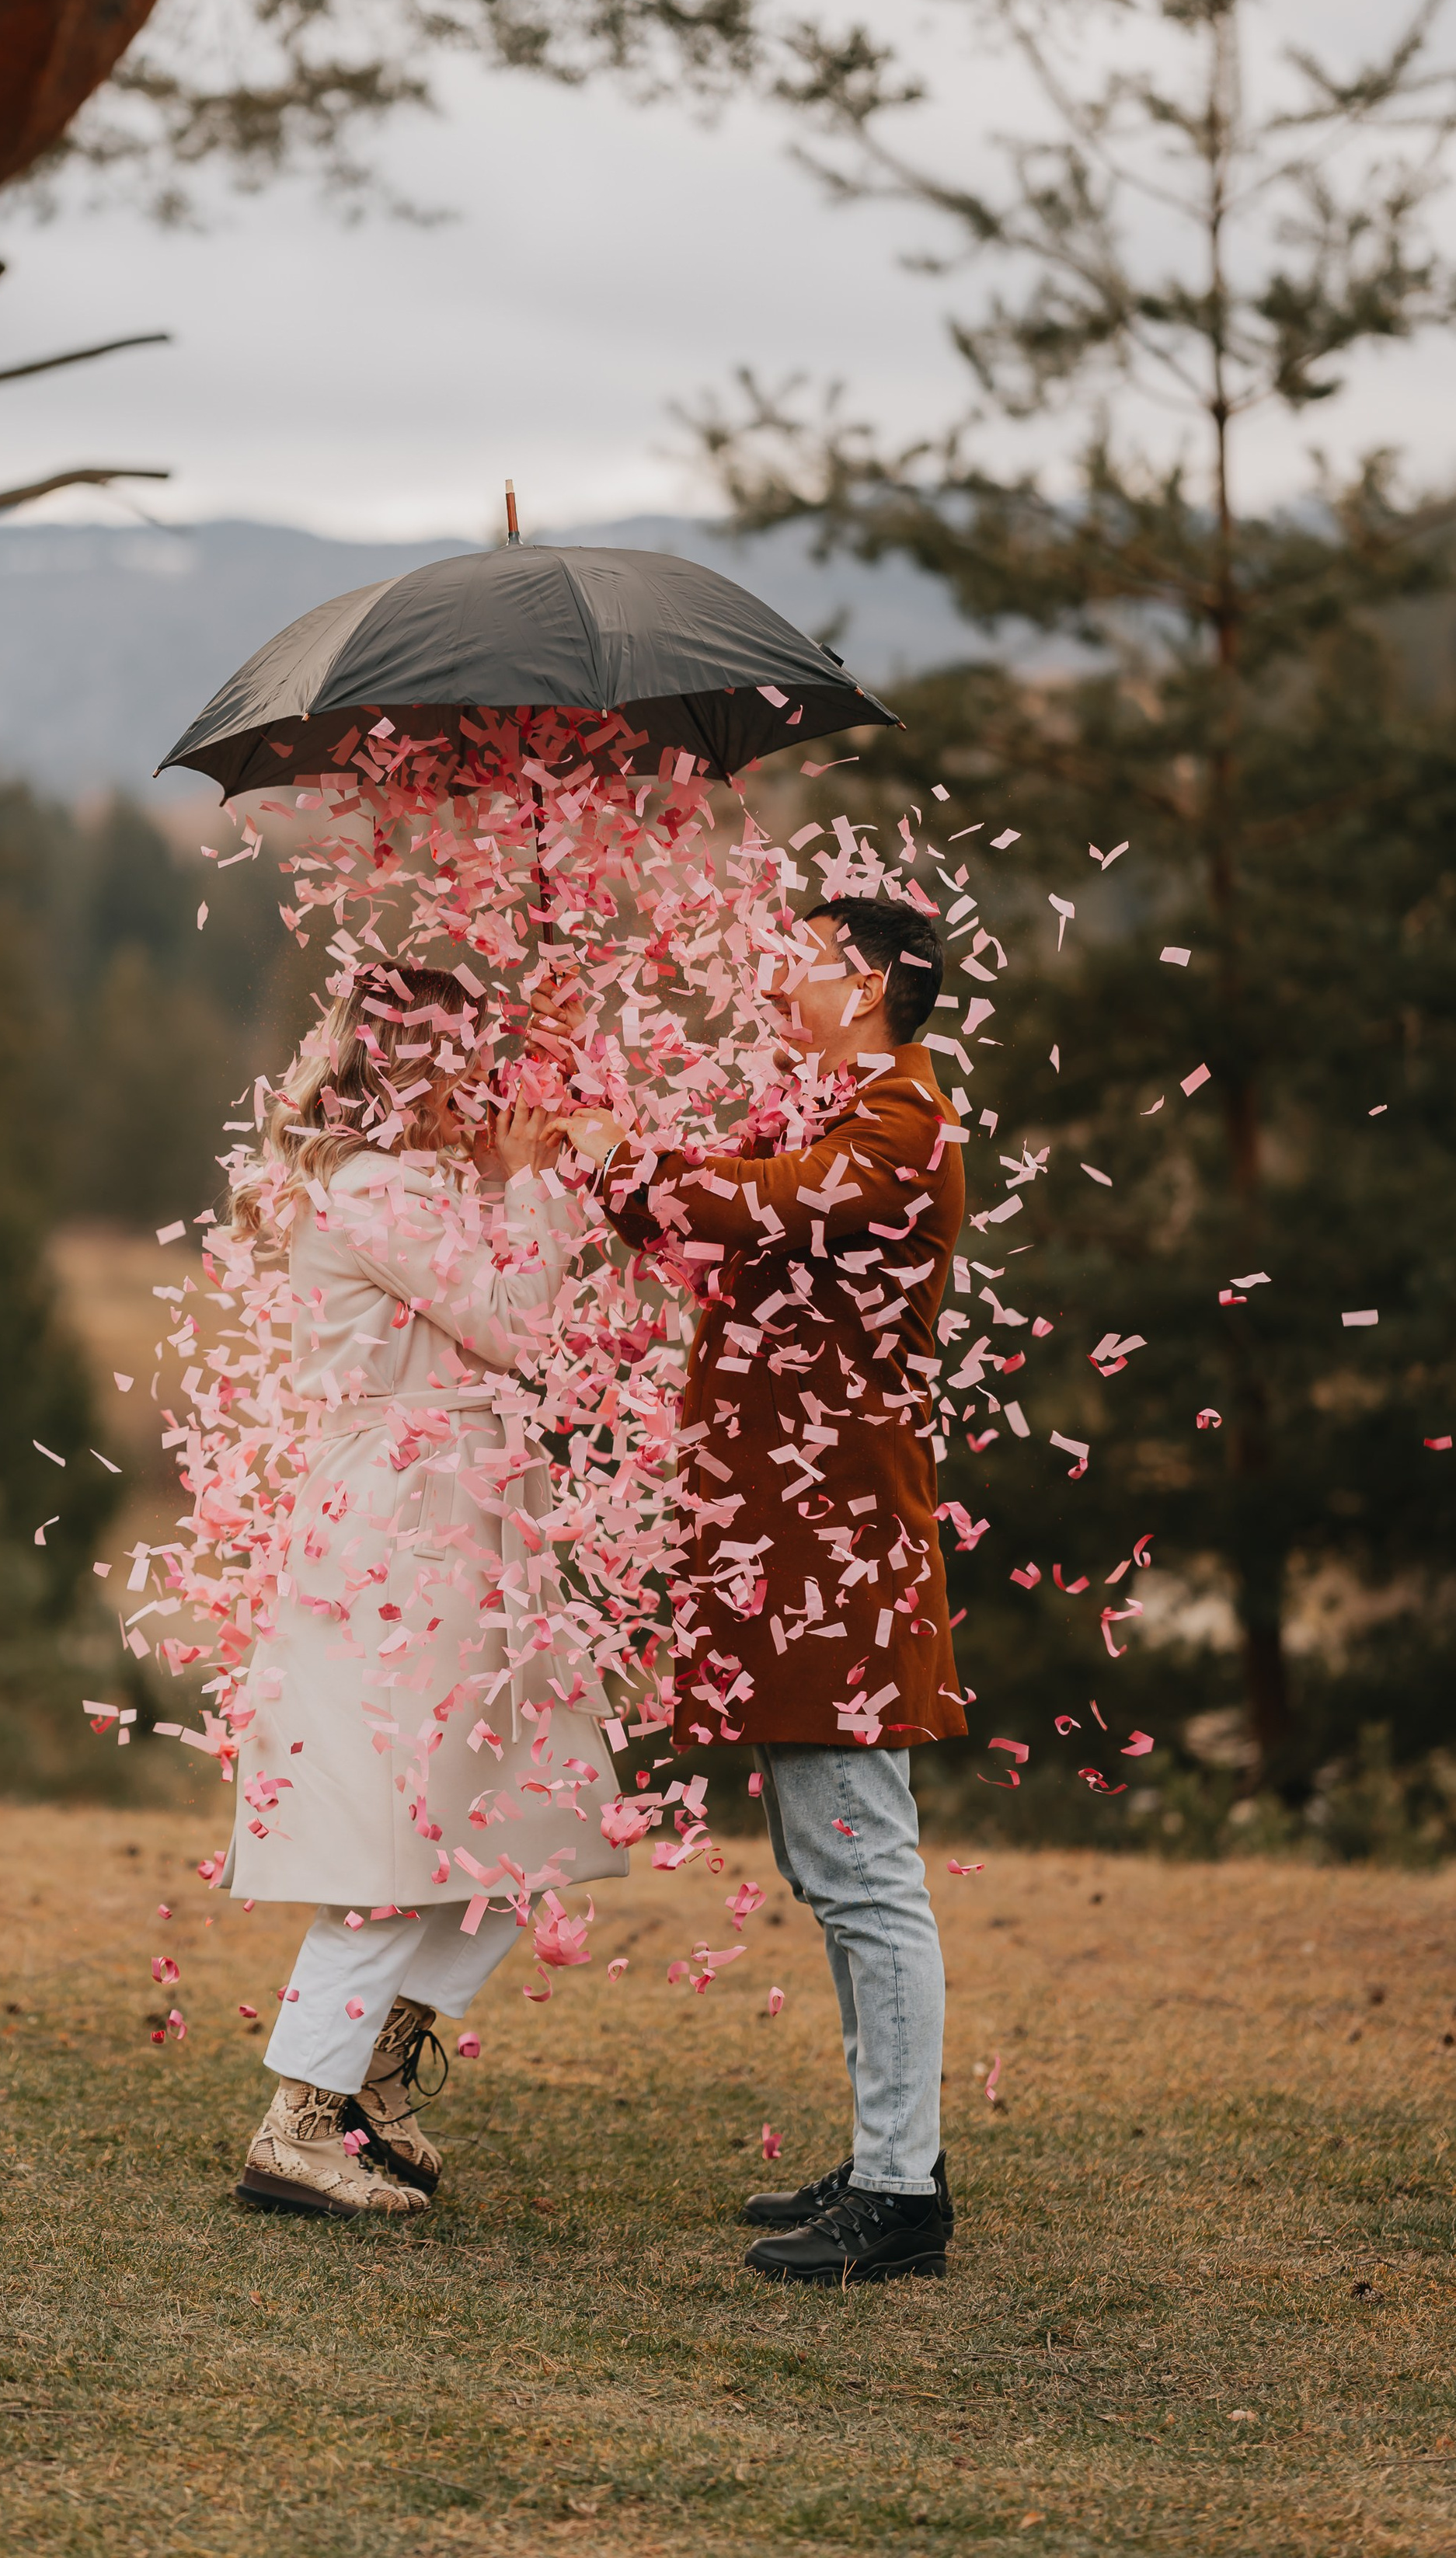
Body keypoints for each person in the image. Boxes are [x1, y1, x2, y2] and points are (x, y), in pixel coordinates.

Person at [573, 894, 969, 2284]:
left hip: (838, 1552)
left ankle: (902, 2192)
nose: (779, 979)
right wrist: (621, 1171)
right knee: (831, 1863)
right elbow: (715, 1234)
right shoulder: (840, 1121)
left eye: (802, 958)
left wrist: (616, 1156)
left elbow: (746, 1210)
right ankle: (884, 2152)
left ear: (865, 983)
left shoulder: (899, 1137)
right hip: (800, 1550)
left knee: (866, 1871)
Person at [223, 963, 627, 2220]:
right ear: (413, 1073)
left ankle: (374, 2072)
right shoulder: (372, 1191)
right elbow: (516, 1323)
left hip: (465, 1510)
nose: (486, 1089)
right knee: (407, 1831)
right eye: (465, 1064)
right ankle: (294, 2121)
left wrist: (519, 1180)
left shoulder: (427, 1187)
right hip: (405, 1526)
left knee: (526, 1821)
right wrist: (545, 1185)